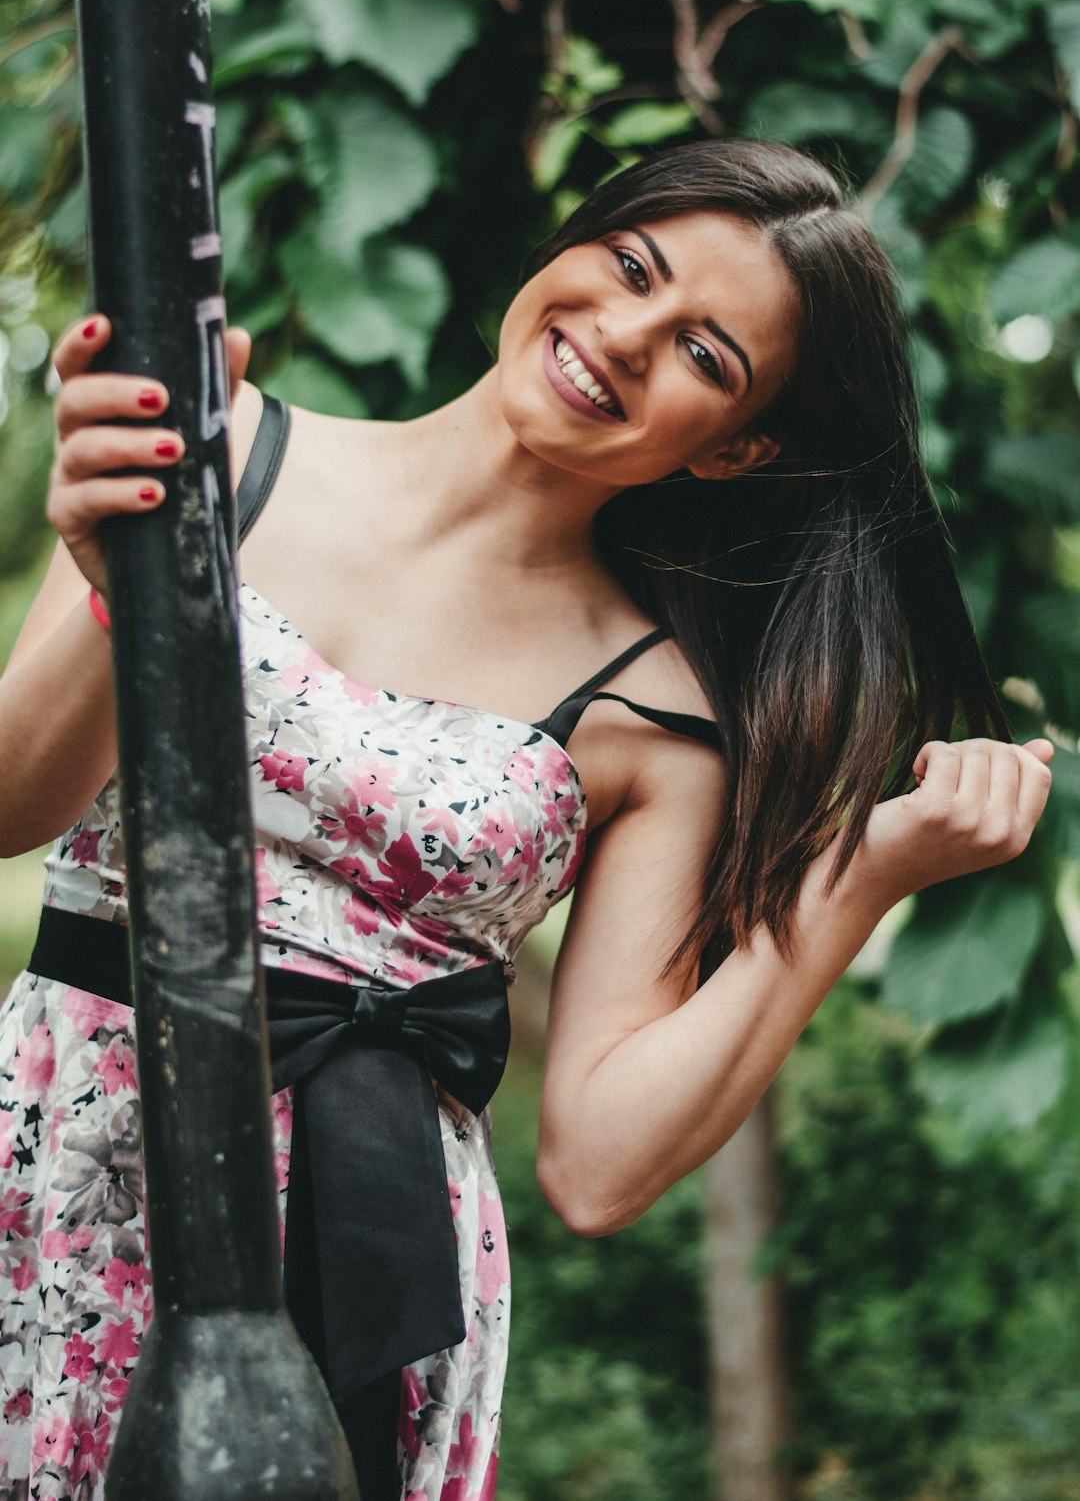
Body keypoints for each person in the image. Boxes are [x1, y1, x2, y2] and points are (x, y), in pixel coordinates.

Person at [0, 139, 1053, 1501]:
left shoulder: (659, 709)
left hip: (356, 1262)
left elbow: (599, 1168)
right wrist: (112, 581)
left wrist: (866, 881)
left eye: (704, 355)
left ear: (734, 447)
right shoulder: (226, 442)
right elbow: (17, 803)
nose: (619, 335)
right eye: (628, 267)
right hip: (59, 1161)